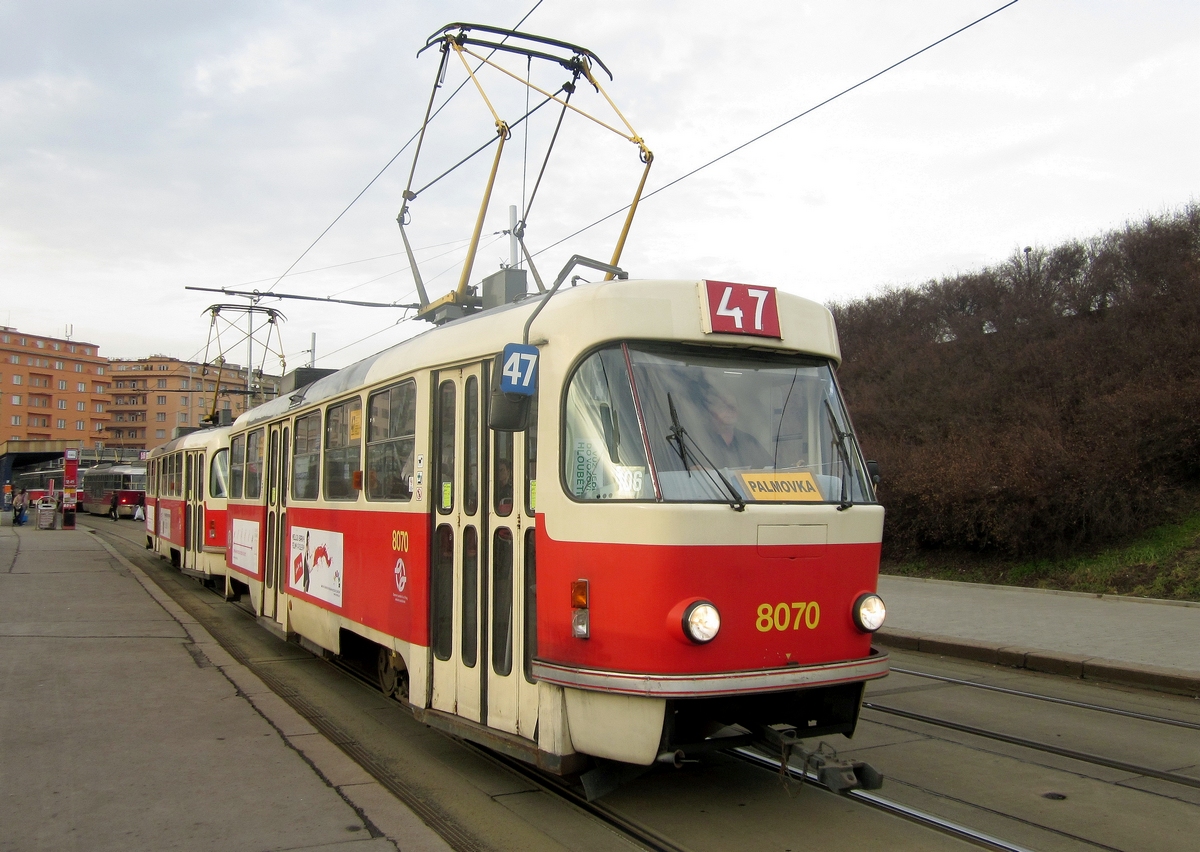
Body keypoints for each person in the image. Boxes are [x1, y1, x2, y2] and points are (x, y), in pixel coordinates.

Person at [700, 383, 770, 469]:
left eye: (732, 407)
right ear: (711, 411)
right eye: (724, 407)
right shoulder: (700, 440)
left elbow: (771, 468)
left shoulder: (748, 441)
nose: (729, 411)